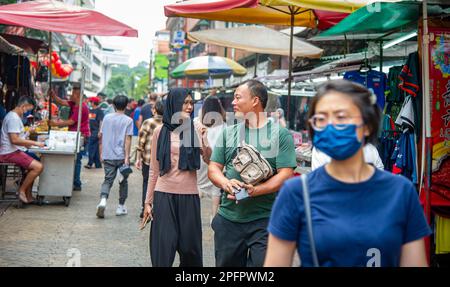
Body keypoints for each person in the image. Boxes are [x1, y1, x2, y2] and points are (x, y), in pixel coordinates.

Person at [265, 80, 431, 267]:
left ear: (367, 125)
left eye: (341, 117)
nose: (330, 126)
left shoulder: (401, 192)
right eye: (321, 119)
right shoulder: (296, 193)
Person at [208, 80, 297, 267]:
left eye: (237, 97)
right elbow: (213, 168)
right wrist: (226, 183)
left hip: (264, 221)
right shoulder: (228, 132)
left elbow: (285, 175)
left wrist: (254, 191)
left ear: (255, 101)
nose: (233, 102)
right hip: (228, 219)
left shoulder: (280, 135)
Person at [142, 88, 202, 267]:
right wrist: (148, 202)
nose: (190, 107)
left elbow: (208, 157)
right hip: (164, 193)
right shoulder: (160, 132)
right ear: (174, 104)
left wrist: (202, 137)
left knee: (190, 250)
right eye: (185, 103)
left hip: (189, 195)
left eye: (192, 103)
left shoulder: (195, 129)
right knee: (163, 248)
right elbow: (154, 169)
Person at [0, 96, 44, 204]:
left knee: (36, 162)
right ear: (23, 107)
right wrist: (35, 143)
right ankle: (21, 190)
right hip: (9, 153)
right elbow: (14, 140)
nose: (28, 113)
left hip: (14, 150)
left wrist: (28, 133)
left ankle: (28, 195)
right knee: (38, 167)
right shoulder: (13, 118)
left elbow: (19, 137)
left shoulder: (15, 117)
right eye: (28, 110)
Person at [96, 95, 133, 219]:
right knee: (123, 181)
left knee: (108, 180)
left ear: (113, 105)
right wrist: (127, 157)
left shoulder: (106, 118)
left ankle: (103, 200)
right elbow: (128, 139)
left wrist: (101, 152)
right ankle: (120, 207)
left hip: (108, 154)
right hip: (122, 156)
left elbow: (101, 135)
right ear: (126, 105)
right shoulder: (128, 120)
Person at [49, 83, 90, 191]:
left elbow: (71, 121)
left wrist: (55, 124)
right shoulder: (74, 103)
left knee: (77, 160)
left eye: (72, 93)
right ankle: (73, 181)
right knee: (74, 160)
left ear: (77, 95)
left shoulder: (81, 107)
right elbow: (62, 102)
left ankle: (76, 183)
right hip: (73, 134)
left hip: (81, 136)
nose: (70, 95)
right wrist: (54, 96)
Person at [194, 95, 226, 219]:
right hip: (216, 158)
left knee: (198, 184)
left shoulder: (197, 122)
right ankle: (214, 215)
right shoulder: (223, 125)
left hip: (201, 157)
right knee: (215, 187)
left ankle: (195, 214)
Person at [135, 100, 163, 218]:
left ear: (155, 110)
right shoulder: (168, 123)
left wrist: (137, 159)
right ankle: (158, 209)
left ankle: (145, 208)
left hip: (147, 158)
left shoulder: (148, 122)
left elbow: (141, 142)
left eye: (153, 108)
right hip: (162, 159)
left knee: (147, 182)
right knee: (160, 184)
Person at [85, 97, 104, 169]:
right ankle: (98, 164)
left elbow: (101, 122)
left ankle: (90, 163)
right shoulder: (90, 110)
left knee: (91, 147)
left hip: (95, 131)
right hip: (90, 130)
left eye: (91, 102)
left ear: (94, 102)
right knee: (95, 148)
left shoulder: (99, 111)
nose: (90, 103)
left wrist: (100, 131)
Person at [130, 99, 145, 165]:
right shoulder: (138, 110)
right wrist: (139, 129)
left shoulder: (137, 109)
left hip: (136, 131)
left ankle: (133, 159)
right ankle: (131, 160)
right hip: (136, 131)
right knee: (134, 146)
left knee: (135, 145)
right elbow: (136, 120)